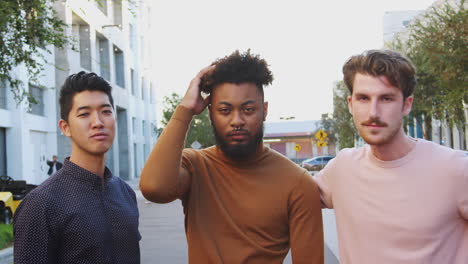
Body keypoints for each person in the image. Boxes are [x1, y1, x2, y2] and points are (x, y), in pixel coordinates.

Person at [140, 50, 324, 263]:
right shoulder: (195, 166)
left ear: (264, 111)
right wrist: (185, 110)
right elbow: (154, 189)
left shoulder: (298, 183)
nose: (237, 120)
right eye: (225, 110)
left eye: (248, 109)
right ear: (210, 113)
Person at [314, 50, 468, 263]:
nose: (373, 112)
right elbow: (281, 197)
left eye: (386, 98)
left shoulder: (456, 170)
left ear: (407, 104)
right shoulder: (341, 169)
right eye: (363, 98)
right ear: (350, 104)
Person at [14, 71, 141, 264]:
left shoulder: (124, 192)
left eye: (106, 111)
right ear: (65, 127)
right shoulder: (40, 204)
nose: (98, 122)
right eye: (84, 114)